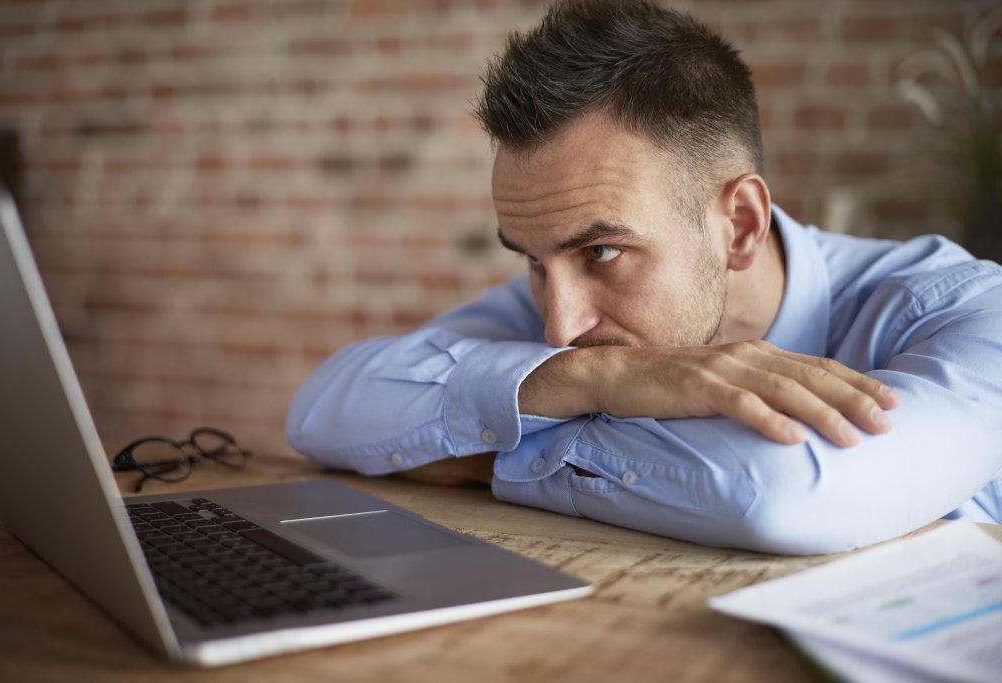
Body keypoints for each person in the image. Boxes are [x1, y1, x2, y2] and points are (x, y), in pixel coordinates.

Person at [287, 0, 1002, 555]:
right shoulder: (574, 319)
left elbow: (779, 494)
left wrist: (481, 454)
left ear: (742, 225)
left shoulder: (965, 310)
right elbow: (324, 409)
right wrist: (592, 383)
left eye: (602, 252)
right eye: (533, 260)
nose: (558, 327)